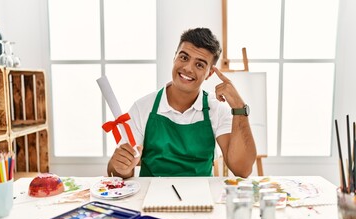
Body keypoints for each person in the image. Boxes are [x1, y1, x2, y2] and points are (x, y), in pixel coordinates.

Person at [107, 27, 256, 178]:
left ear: (209, 73)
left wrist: (239, 107)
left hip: (200, 199)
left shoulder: (216, 109)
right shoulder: (142, 107)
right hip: (152, 198)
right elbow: (115, 173)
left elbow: (242, 170)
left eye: (199, 65)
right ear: (175, 57)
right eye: (184, 58)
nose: (187, 68)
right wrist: (121, 166)